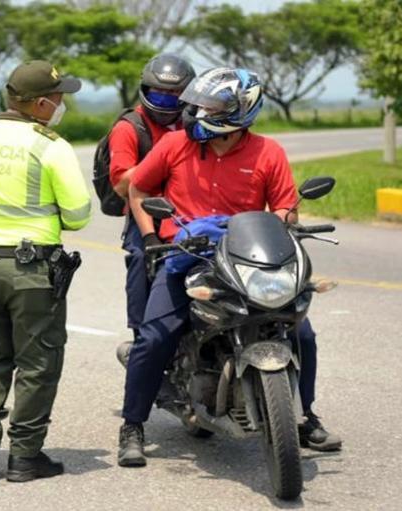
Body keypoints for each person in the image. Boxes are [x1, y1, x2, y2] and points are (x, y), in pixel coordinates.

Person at [118, 67, 342, 467]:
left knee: (301, 332)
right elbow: (139, 188)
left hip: (247, 258)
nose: (196, 112)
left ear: (240, 112)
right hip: (189, 256)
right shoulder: (174, 144)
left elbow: (285, 208)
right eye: (198, 103)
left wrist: (289, 224)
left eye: (210, 106)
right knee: (154, 337)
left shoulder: (268, 152)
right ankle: (133, 425)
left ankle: (304, 415)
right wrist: (152, 236)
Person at [0, 60, 91, 482]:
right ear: (41, 104)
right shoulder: (50, 146)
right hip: (32, 271)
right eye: (60, 97)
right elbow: (79, 216)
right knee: (37, 362)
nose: (63, 103)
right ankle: (25, 456)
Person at [107, 54, 195, 366]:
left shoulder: (195, 123)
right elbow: (121, 183)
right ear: (146, 90)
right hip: (146, 213)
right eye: (160, 94)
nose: (168, 101)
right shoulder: (130, 128)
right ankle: (141, 341)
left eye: (176, 95)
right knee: (142, 259)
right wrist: (163, 159)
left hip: (191, 213)